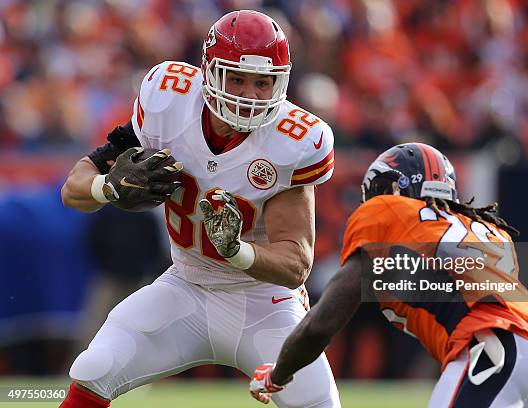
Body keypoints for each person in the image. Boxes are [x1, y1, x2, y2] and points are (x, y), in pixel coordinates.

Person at [59, 10, 340, 408]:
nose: (249, 95)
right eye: (237, 78)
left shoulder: (293, 141)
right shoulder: (168, 98)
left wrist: (235, 250)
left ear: (281, 82)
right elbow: (73, 191)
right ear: (208, 72)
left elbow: (296, 263)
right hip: (185, 285)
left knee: (317, 404)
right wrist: (108, 188)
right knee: (95, 369)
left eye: (263, 83)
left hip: (264, 303)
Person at [249, 143, 528, 407]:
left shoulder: (387, 212)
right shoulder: (485, 228)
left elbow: (324, 321)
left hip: (491, 355)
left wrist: (280, 373)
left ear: (392, 189)